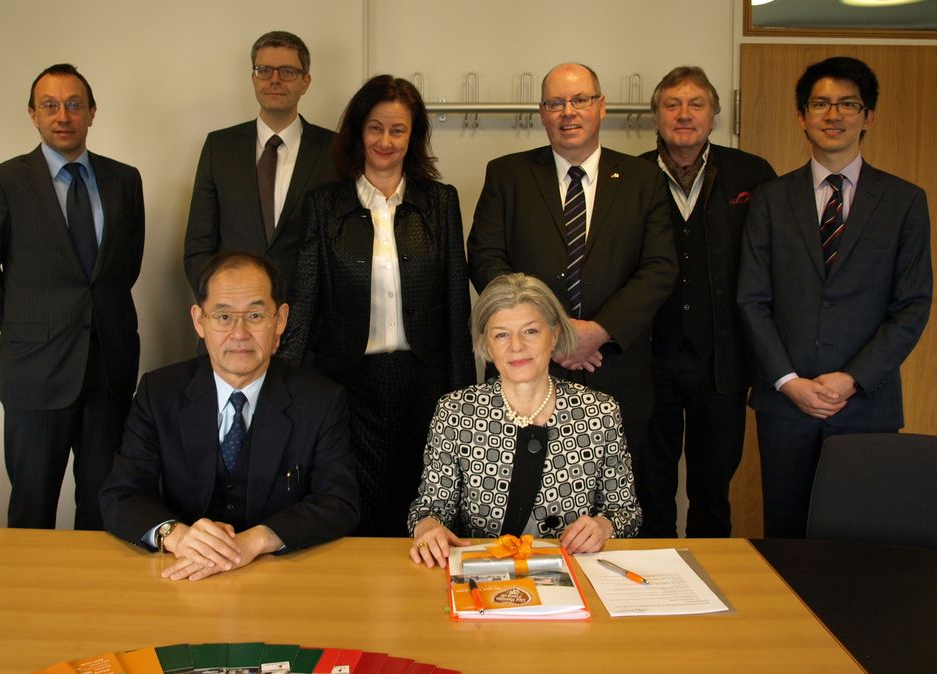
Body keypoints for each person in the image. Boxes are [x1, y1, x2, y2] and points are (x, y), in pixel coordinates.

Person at [737, 56, 932, 538]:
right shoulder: (771, 198)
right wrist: (788, 381)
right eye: (820, 103)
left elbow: (911, 307)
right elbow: (752, 299)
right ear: (801, 116)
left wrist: (852, 378)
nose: (834, 114)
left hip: (866, 403)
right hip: (787, 404)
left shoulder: (905, 200)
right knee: (785, 533)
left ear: (868, 117)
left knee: (861, 538)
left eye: (848, 104)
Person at [282, 75, 475, 536]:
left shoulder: (440, 202)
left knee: (422, 501)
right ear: (357, 132)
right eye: (375, 128)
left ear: (414, 136)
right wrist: (282, 385)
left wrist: (465, 395)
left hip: (424, 380)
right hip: (347, 382)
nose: (385, 141)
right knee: (353, 504)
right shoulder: (324, 204)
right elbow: (306, 298)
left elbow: (454, 304)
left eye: (398, 130)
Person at [467, 62, 677, 476]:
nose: (568, 112)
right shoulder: (507, 174)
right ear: (542, 112)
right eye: (555, 103)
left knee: (610, 512)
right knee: (514, 505)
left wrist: (600, 330)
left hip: (615, 371)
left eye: (580, 100)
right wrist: (553, 330)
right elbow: (485, 258)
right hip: (523, 371)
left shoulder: (643, 178)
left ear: (602, 107)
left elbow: (659, 267)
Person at [100, 252, 358, 581]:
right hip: (177, 575)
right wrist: (176, 536)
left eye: (255, 315)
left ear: (280, 320)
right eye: (223, 317)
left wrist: (258, 539)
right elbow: (120, 494)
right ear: (199, 321)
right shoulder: (159, 392)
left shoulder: (320, 400)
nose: (239, 333)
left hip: (280, 578)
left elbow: (339, 502)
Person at [0, 63, 144, 530]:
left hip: (109, 369)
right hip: (36, 373)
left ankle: (93, 601)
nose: (62, 115)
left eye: (73, 104)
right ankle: (26, 602)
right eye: (50, 105)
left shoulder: (125, 180)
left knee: (104, 505)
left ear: (91, 113)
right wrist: (29, 327)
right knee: (32, 505)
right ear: (33, 115)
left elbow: (124, 269)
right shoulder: (3, 182)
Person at [408, 273, 640, 568]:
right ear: (487, 346)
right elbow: (429, 508)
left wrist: (604, 527)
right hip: (483, 577)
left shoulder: (600, 412)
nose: (516, 346)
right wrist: (428, 528)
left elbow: (626, 512)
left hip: (576, 573)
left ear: (554, 335)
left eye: (530, 331)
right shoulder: (456, 412)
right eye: (501, 334)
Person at [638, 66, 775, 538]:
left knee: (713, 491)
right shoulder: (629, 175)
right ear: (655, 116)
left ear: (715, 114)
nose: (684, 114)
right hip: (648, 360)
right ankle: (651, 593)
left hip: (723, 363)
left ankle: (706, 594)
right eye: (672, 104)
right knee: (648, 488)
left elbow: (772, 267)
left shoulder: (752, 174)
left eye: (696, 104)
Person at [184, 31, 335, 294]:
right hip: (234, 317)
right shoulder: (219, 148)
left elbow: (342, 248)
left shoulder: (334, 150)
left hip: (312, 321)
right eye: (264, 70)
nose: (274, 80)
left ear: (306, 82)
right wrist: (221, 307)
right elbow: (199, 246)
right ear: (253, 78)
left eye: (287, 71)